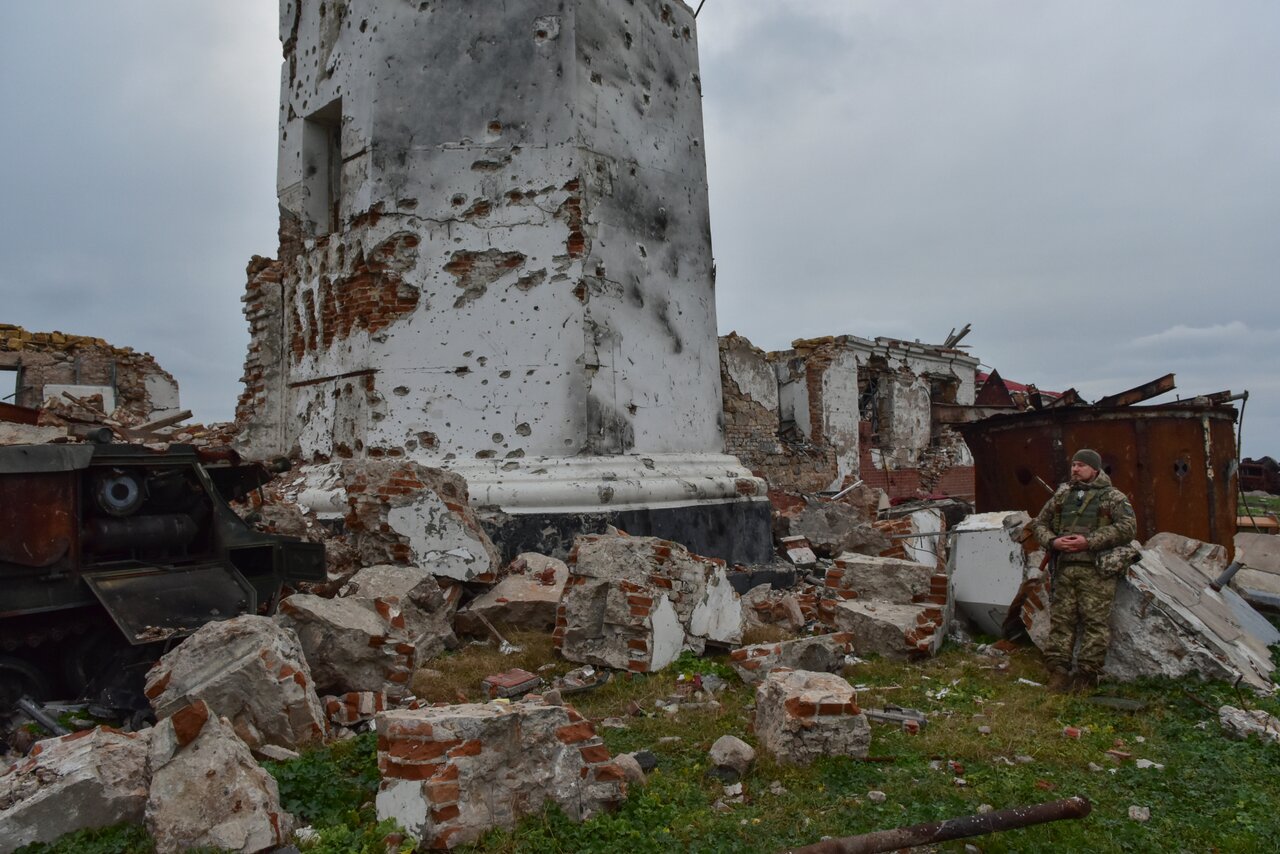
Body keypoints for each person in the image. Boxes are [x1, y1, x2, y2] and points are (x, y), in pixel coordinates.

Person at [1030, 449, 1138, 693]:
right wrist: (1053, 542)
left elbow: (1128, 528)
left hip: (1097, 572)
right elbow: (1039, 524)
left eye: (1080, 465)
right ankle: (1058, 672)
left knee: (1095, 623)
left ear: (1095, 469)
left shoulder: (1112, 497)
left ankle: (1086, 676)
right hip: (1065, 568)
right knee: (1061, 622)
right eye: (1073, 465)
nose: (1075, 469)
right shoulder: (1062, 495)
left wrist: (1089, 541)